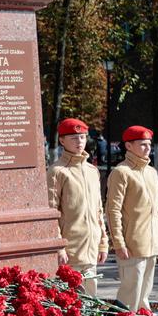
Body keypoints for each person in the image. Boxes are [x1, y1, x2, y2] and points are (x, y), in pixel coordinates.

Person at [47, 118, 108, 295]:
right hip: (70, 249)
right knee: (71, 302)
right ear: (62, 141)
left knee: (91, 299)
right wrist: (59, 246)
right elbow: (52, 212)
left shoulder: (92, 170)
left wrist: (103, 243)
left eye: (82, 137)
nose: (79, 142)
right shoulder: (57, 171)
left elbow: (98, 210)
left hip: (91, 247)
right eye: (73, 138)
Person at [105, 125, 158, 312]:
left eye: (149, 144)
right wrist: (119, 243)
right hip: (132, 243)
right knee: (130, 292)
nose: (148, 148)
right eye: (142, 144)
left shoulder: (151, 172)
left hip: (151, 242)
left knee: (145, 291)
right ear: (128, 146)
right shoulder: (121, 172)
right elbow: (113, 210)